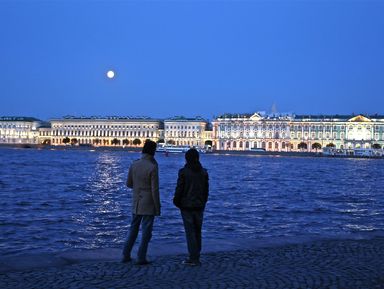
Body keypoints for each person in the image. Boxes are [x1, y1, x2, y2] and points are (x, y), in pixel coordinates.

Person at [122, 140, 160, 265]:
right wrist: (157, 206)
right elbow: (155, 189)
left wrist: (138, 188)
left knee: (132, 230)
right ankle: (140, 257)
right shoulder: (152, 166)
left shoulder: (134, 164)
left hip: (136, 202)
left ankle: (125, 255)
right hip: (149, 203)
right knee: (146, 233)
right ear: (153, 151)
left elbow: (129, 184)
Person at [173, 148, 209, 266]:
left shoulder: (183, 172)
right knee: (198, 231)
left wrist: (176, 202)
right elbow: (206, 191)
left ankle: (193, 258)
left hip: (187, 206)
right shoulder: (204, 172)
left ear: (186, 158)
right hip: (199, 205)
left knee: (190, 232)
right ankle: (197, 255)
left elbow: (180, 189)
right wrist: (203, 202)